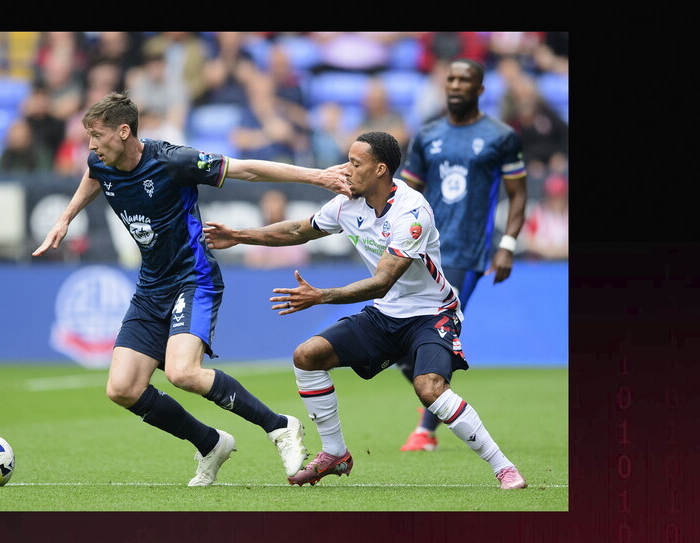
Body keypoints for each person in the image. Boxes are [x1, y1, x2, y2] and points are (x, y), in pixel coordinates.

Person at [32, 92, 352, 486]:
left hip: (192, 279)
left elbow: (246, 170)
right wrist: (65, 219)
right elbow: (93, 175)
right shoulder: (101, 159)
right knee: (121, 388)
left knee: (183, 373)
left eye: (96, 135)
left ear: (124, 130)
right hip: (151, 287)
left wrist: (316, 176)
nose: (91, 145)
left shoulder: (173, 160)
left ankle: (280, 426)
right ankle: (209, 442)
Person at [203, 131, 527, 490]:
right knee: (307, 356)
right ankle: (335, 453)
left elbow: (383, 280)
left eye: (355, 164)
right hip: (385, 314)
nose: (345, 169)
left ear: (380, 169)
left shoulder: (412, 212)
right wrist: (240, 236)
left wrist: (321, 295)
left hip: (430, 314)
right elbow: (300, 229)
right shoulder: (346, 203)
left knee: (430, 390)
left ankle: (504, 467)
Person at [396, 58, 528, 452]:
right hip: (418, 249)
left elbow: (518, 194)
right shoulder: (427, 135)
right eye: (450, 78)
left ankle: (426, 430)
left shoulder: (500, 136)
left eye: (464, 79)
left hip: (466, 252)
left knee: (434, 332)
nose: (455, 85)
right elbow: (406, 194)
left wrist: (506, 245)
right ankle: (441, 405)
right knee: (402, 344)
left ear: (480, 89)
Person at [243, 190, 311, 269]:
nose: (273, 208)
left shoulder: (295, 232)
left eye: (276, 203)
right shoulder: (256, 233)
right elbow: (251, 260)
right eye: (269, 204)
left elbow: (300, 259)